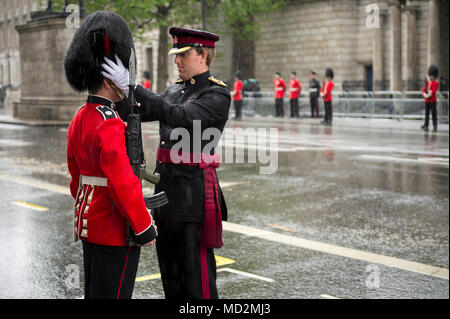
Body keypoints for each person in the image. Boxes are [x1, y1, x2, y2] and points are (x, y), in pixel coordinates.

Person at [102, 26, 230, 299]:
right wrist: (112, 89)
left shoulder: (216, 95)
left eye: (183, 54)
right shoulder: (174, 90)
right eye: (175, 55)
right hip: (166, 195)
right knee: (170, 278)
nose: (176, 61)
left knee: (197, 283)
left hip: (195, 199)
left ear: (203, 55)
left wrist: (132, 86)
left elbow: (179, 116)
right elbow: (136, 109)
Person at [64, 11, 157, 299]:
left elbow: (75, 177)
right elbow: (122, 182)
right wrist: (144, 226)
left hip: (90, 225)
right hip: (115, 230)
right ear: (109, 79)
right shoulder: (109, 122)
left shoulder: (81, 116)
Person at [421, 65, 440, 132]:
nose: (430, 76)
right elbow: (423, 90)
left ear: (434, 76)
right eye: (430, 75)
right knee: (426, 113)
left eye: (431, 75)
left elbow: (433, 91)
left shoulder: (436, 83)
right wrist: (424, 94)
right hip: (427, 101)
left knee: (433, 114)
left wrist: (427, 94)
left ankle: (435, 125)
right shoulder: (428, 83)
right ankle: (426, 125)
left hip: (432, 101)